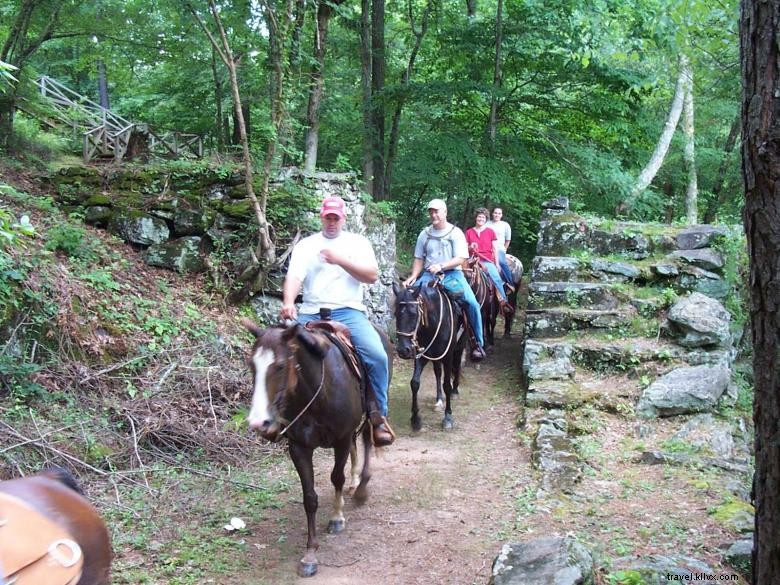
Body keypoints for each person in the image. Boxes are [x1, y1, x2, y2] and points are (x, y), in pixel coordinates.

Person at [281, 196, 394, 446]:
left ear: (343, 218)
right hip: (310, 311)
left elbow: (372, 276)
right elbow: (294, 276)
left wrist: (339, 259)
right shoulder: (306, 245)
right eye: (327, 217)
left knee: (377, 356)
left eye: (336, 217)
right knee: (279, 352)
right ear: (321, 217)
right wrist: (289, 302)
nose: (331, 222)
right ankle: (280, 416)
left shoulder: (358, 243)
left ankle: (378, 416)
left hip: (348, 311)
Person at [402, 198, 487, 362]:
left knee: (471, 303)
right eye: (431, 212)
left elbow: (461, 258)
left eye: (437, 211)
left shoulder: (455, 233)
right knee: (408, 299)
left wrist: (442, 266)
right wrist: (413, 276)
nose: (433, 214)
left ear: (445, 212)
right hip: (428, 275)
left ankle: (477, 342)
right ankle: (409, 339)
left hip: (452, 274)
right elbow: (419, 258)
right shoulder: (424, 234)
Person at [465, 207, 513, 316]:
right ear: (476, 218)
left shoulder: (490, 232)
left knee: (496, 277)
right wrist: (469, 247)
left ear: (486, 219)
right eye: (479, 217)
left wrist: (496, 264)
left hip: (486, 259)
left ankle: (503, 301)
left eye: (483, 217)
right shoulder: (469, 232)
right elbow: (464, 248)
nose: (481, 219)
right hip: (472, 259)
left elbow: (495, 248)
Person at [487, 206, 515, 292]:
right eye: (495, 213)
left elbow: (508, 239)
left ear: (501, 215)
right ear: (492, 214)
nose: (497, 215)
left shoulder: (505, 225)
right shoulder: (487, 224)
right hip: (487, 248)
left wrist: (504, 249)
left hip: (499, 248)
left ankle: (510, 283)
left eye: (499, 213)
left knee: (502, 262)